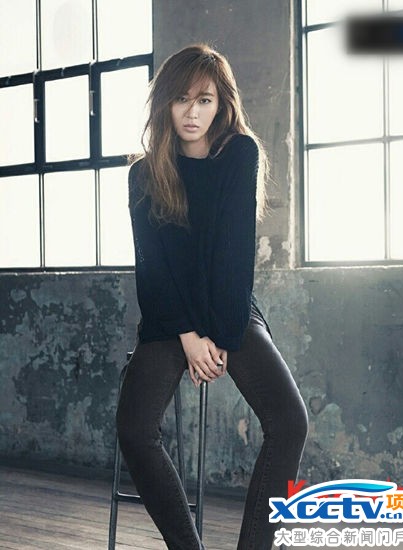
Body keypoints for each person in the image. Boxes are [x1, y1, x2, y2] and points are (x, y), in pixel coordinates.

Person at [116, 43, 308, 550]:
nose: (192, 112)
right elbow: (153, 270)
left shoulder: (240, 155)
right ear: (165, 104)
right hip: (170, 316)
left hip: (230, 308)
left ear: (221, 104)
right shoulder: (143, 174)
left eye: (204, 100)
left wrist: (219, 334)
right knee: (134, 429)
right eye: (181, 99)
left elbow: (234, 256)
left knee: (290, 421)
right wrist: (187, 336)